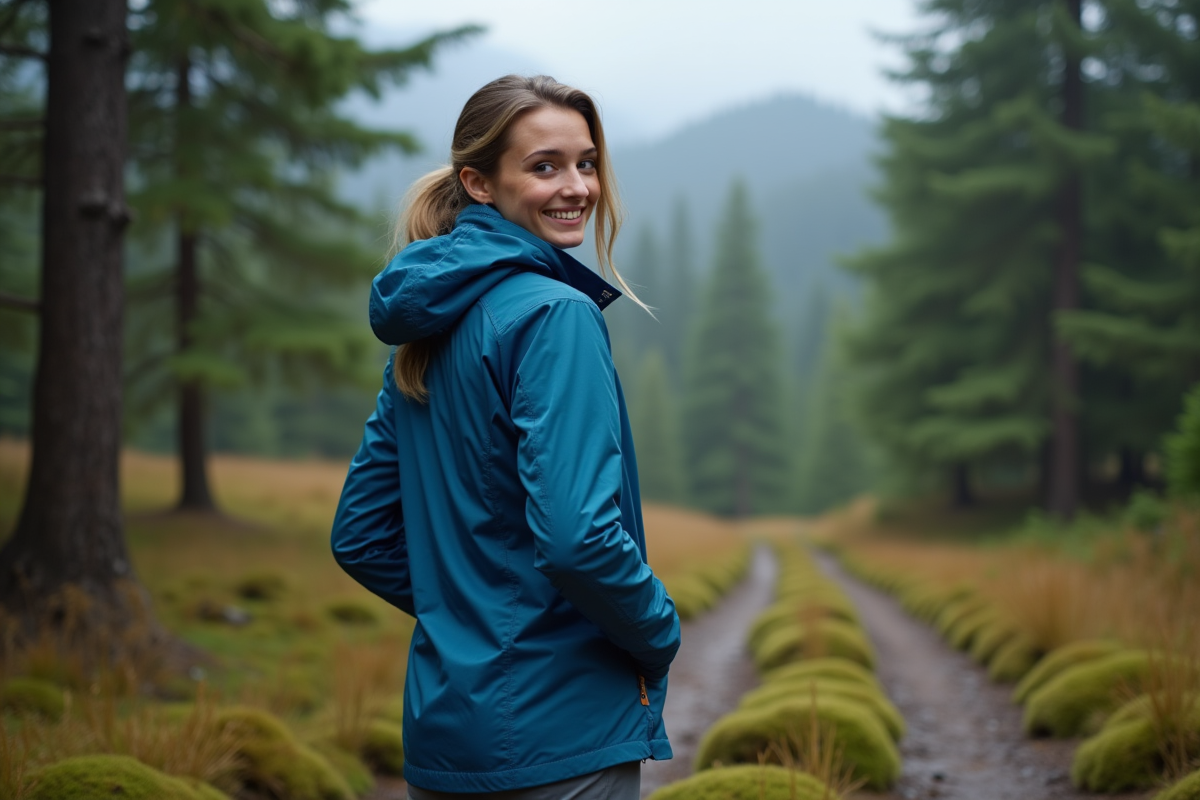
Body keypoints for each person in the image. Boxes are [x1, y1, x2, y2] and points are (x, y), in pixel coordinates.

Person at [330, 75, 681, 800]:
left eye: (586, 163)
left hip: (446, 736)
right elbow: (578, 538)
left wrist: (473, 614)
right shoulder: (557, 316)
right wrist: (657, 631)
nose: (577, 187)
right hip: (563, 742)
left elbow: (361, 535)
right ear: (478, 184)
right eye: (545, 166)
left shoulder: (428, 323)